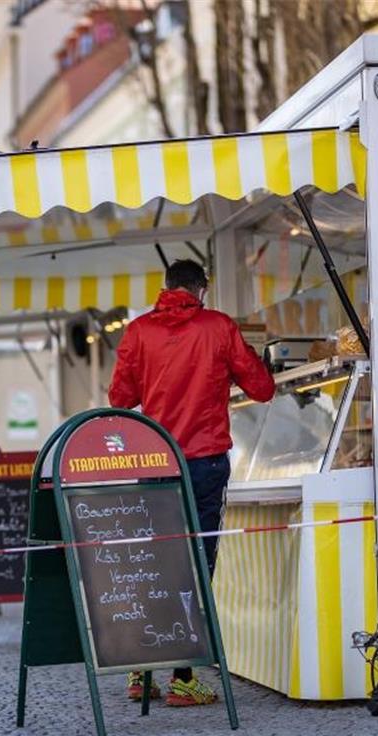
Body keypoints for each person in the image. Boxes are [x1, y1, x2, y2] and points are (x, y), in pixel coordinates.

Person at [109, 259, 275, 707]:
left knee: (154, 564)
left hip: (154, 460)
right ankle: (183, 677)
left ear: (166, 287)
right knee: (197, 565)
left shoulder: (139, 331)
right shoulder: (219, 327)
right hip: (204, 462)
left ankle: (140, 674)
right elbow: (261, 389)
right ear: (201, 289)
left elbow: (120, 399)